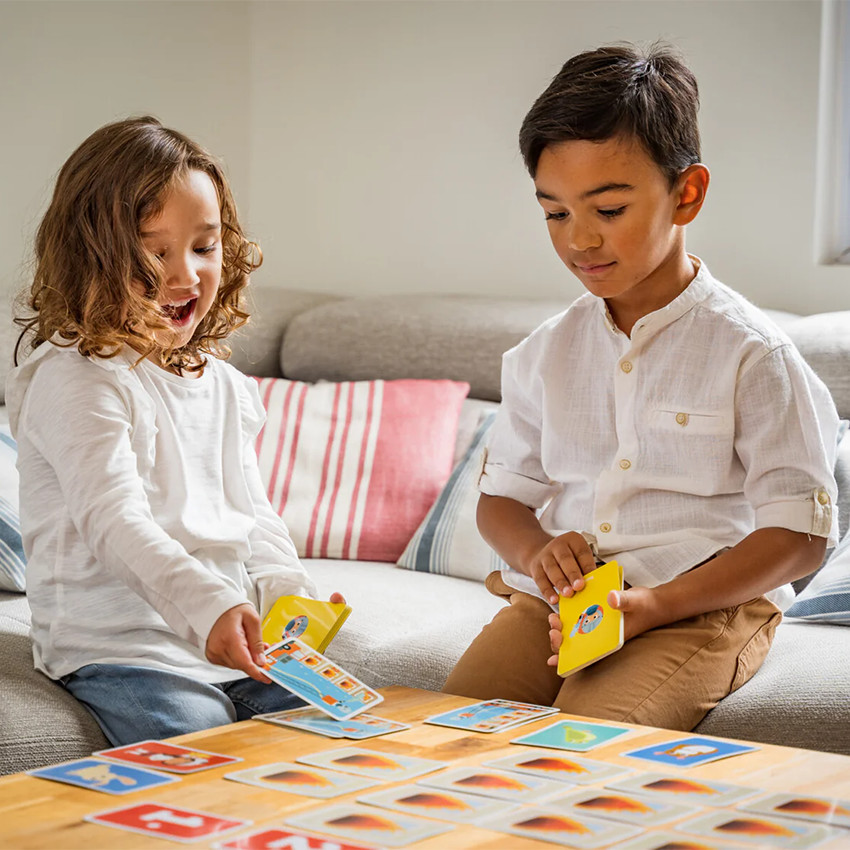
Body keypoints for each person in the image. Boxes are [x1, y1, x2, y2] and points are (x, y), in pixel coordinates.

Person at [442, 44, 839, 731]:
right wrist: (538, 550)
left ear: (687, 193)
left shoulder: (753, 353)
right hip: (567, 604)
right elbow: (501, 502)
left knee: (580, 750)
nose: (579, 241)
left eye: (610, 209)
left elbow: (799, 535)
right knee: (448, 737)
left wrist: (654, 606)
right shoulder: (544, 353)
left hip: (705, 607)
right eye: (556, 213)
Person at [7, 116, 343, 745]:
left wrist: (291, 594)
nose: (185, 275)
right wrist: (208, 605)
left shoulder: (223, 384)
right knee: (200, 744)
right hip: (123, 647)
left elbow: (255, 516)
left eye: (204, 246)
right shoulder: (78, 378)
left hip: (232, 642)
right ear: (92, 256)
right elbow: (113, 521)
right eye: (153, 251)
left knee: (332, 728)